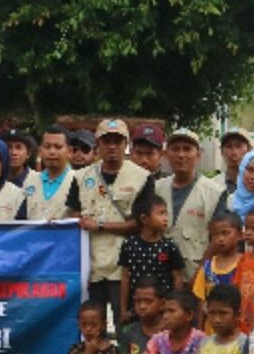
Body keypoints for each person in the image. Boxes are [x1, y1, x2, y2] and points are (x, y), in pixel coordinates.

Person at [74, 119, 147, 309]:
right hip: (90, 268)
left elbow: (142, 224)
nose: (112, 146)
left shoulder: (142, 178)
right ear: (97, 144)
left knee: (124, 327)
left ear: (126, 145)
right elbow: (74, 214)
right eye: (107, 141)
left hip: (125, 268)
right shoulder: (81, 177)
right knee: (91, 329)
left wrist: (100, 226)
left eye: (118, 141)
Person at [157, 130, 228, 269]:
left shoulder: (215, 192)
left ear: (198, 155)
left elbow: (218, 239)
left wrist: (199, 274)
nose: (181, 155)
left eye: (187, 149)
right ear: (166, 155)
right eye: (175, 149)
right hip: (159, 272)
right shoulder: (156, 188)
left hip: (194, 272)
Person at [19, 127, 80, 222]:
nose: (52, 152)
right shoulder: (29, 181)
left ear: (69, 151)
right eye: (47, 147)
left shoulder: (79, 181)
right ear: (40, 151)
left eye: (58, 147)